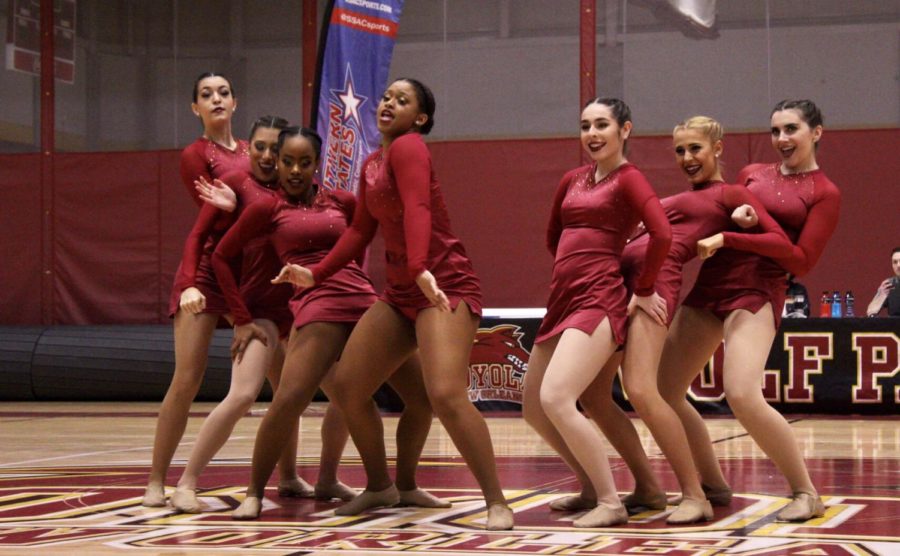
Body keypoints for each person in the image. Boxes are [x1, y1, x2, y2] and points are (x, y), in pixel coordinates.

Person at [274, 78, 514, 530]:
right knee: (347, 387)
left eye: (402, 101)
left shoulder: (410, 148)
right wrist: (317, 273)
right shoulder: (370, 162)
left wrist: (422, 265)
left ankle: (496, 501)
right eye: (386, 97)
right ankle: (383, 485)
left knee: (444, 393)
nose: (388, 103)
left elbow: (419, 207)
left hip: (443, 283)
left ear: (419, 119)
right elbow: (360, 232)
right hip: (401, 294)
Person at [556, 116, 793, 525]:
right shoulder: (682, 196)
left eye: (695, 149)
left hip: (654, 289)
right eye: (680, 150)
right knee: (595, 394)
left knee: (643, 390)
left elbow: (780, 244)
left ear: (718, 149)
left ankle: (694, 495)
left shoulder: (730, 193)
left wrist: (736, 231)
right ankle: (654, 487)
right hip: (619, 288)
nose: (687, 158)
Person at [206, 126, 444, 519]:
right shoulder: (267, 208)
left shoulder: (343, 199)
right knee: (289, 399)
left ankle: (400, 486)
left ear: (318, 165)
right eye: (287, 162)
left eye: (305, 162)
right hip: (317, 306)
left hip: (366, 301)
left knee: (422, 398)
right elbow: (220, 257)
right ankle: (253, 492)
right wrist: (242, 318)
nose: (295, 170)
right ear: (277, 163)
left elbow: (365, 233)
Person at [658, 99, 841, 522]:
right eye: (775, 131)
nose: (781, 139)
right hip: (710, 288)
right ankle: (711, 483)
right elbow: (715, 209)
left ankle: (805, 492)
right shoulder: (750, 175)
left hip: (757, 292)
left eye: (791, 129)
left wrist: (731, 239)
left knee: (741, 392)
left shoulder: (825, 193)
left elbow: (801, 260)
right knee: (663, 391)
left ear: (816, 133)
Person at [143, 117, 337, 508]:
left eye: (276, 152)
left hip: (278, 304)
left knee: (294, 390)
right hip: (221, 286)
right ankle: (164, 481)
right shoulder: (236, 186)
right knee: (196, 382)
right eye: (260, 148)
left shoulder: (302, 192)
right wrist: (193, 290)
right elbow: (204, 244)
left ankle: (292, 476)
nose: (267, 157)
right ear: (250, 150)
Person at [521, 97, 672, 528]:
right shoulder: (572, 179)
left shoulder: (630, 179)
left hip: (599, 299)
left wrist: (641, 290)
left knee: (557, 398)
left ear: (625, 130)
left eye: (602, 124)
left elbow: (662, 232)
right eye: (585, 125)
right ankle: (590, 485)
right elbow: (554, 236)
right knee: (533, 407)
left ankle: (610, 501)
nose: (592, 134)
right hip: (562, 298)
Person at [180, 72, 249, 206]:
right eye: (206, 95)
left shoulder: (252, 148)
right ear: (195, 108)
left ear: (234, 103)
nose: (217, 99)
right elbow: (211, 213)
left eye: (224, 93)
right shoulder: (194, 154)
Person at [866, 247, 900, 317]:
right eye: (895, 262)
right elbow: (870, 312)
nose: (898, 265)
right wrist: (880, 296)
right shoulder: (889, 285)